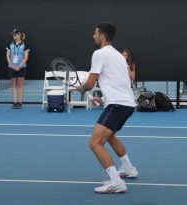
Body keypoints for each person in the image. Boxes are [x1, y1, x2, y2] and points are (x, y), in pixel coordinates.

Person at [77, 22, 138, 194]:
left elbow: (89, 84)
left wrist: (80, 88)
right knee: (110, 137)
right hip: (126, 104)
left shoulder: (99, 54)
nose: (93, 36)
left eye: (95, 33)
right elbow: (121, 82)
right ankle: (128, 169)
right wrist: (103, 98)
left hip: (118, 105)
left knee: (95, 143)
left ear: (102, 36)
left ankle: (116, 182)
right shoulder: (119, 55)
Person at [6, 28, 30, 109]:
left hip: (21, 68)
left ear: (19, 35)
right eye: (13, 34)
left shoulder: (25, 45)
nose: (13, 35)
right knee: (13, 85)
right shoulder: (10, 44)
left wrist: (19, 66)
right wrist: (12, 66)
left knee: (20, 85)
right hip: (11, 67)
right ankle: (14, 102)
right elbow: (7, 56)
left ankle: (20, 102)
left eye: (15, 34)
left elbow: (26, 57)